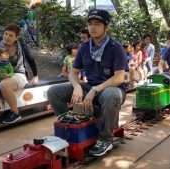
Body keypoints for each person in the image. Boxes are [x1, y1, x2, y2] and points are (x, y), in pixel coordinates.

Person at [47, 9, 127, 157]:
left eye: (97, 24)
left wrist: (96, 89)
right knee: (53, 92)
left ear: (106, 26)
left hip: (111, 89)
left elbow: (119, 78)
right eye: (90, 24)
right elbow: (73, 72)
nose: (93, 27)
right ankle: (71, 125)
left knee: (111, 95)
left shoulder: (116, 48)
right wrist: (77, 85)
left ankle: (105, 139)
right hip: (89, 87)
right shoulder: (84, 47)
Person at [0, 23, 38, 123]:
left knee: (4, 84)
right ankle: (3, 109)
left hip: (18, 74)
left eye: (11, 35)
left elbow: (31, 58)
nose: (7, 37)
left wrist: (35, 76)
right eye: (5, 34)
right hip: (1, 75)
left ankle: (15, 113)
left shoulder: (20, 45)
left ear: (16, 38)